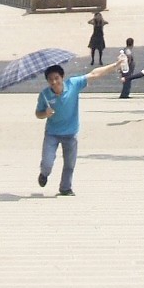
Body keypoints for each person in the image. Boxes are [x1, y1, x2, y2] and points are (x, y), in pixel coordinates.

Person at [35, 60, 119, 195]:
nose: (54, 82)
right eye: (50, 80)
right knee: (47, 162)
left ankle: (65, 188)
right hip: (52, 133)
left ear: (62, 77)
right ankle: (44, 174)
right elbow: (38, 114)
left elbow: (94, 74)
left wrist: (115, 66)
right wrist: (45, 113)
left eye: (57, 78)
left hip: (70, 132)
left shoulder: (73, 84)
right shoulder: (44, 95)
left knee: (69, 164)